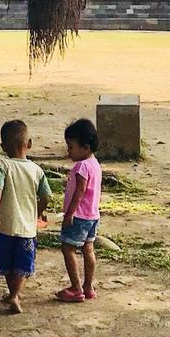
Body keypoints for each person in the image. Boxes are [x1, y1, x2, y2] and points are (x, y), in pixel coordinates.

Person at [0, 119, 51, 314]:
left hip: (6, 225)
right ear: (29, 143)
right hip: (27, 228)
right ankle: (16, 294)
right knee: (23, 264)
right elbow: (47, 196)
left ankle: (12, 293)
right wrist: (39, 211)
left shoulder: (2, 166)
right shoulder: (37, 170)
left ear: (3, 146)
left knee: (7, 262)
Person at [56, 118, 102, 303]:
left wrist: (69, 214)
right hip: (92, 215)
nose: (68, 151)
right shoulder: (95, 164)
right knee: (88, 249)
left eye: (71, 147)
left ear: (85, 147)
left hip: (79, 216)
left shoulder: (81, 166)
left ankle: (76, 288)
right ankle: (88, 287)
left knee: (68, 249)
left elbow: (79, 191)